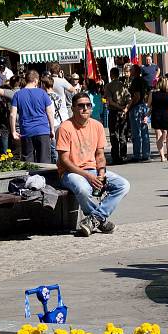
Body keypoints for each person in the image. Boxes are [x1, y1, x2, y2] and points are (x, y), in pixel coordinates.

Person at [57, 92, 130, 237]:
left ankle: (94, 218)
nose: (85, 108)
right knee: (83, 188)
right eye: (81, 105)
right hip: (70, 172)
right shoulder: (65, 127)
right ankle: (100, 220)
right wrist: (88, 177)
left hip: (93, 170)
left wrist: (101, 174)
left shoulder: (97, 126)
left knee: (123, 185)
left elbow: (100, 155)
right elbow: (64, 160)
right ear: (73, 108)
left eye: (88, 105)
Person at [5, 71, 55, 163]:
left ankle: (30, 177)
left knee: (28, 163)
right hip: (42, 130)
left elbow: (12, 114)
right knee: (44, 162)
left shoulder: (18, 95)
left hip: (26, 131)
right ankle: (43, 177)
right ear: (36, 80)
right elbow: (50, 113)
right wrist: (52, 129)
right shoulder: (43, 93)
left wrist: (13, 131)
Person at [104, 68, 130, 165]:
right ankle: (123, 155)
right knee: (123, 134)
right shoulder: (123, 85)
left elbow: (110, 101)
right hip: (123, 111)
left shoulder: (109, 86)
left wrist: (119, 107)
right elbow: (129, 99)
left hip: (114, 111)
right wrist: (125, 108)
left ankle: (115, 157)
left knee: (114, 134)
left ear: (111, 75)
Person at [128, 64, 151, 161]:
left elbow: (136, 95)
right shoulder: (144, 81)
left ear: (135, 71)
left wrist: (130, 106)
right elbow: (148, 94)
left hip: (137, 107)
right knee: (144, 131)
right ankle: (146, 154)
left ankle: (137, 154)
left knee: (136, 132)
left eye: (131, 70)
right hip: (143, 106)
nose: (130, 71)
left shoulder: (135, 81)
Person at [150, 78, 168, 162]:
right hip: (165, 114)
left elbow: (149, 104)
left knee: (162, 133)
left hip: (157, 114)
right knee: (166, 133)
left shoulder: (153, 93)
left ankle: (163, 155)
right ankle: (164, 155)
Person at [0, 86, 13, 153]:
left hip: (12, 130)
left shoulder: (12, 104)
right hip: (3, 131)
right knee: (4, 151)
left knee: (13, 152)